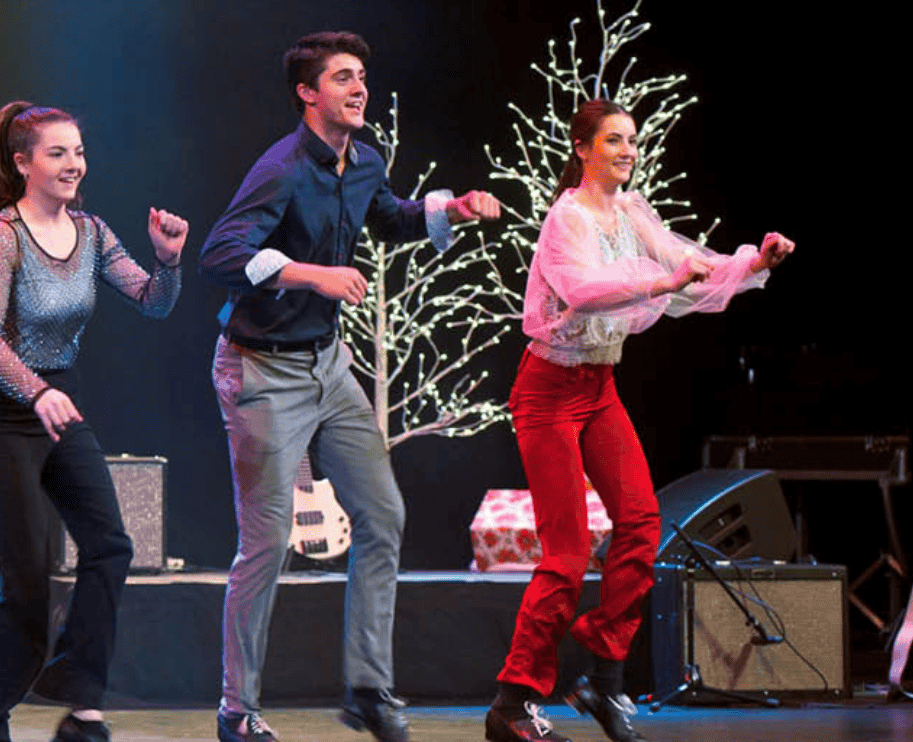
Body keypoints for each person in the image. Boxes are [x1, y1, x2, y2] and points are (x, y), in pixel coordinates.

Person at [198, 31, 503, 742]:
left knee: (383, 514)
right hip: (261, 369)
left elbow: (388, 216)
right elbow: (220, 253)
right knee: (267, 542)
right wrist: (310, 274)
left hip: (328, 365)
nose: (359, 88)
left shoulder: (364, 159)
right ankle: (237, 711)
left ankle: (368, 688)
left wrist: (448, 211)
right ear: (309, 93)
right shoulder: (279, 169)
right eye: (342, 78)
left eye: (362, 75)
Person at [483, 99, 793, 742]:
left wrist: (754, 265)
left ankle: (603, 676)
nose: (627, 150)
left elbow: (692, 266)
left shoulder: (630, 211)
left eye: (631, 140)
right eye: (614, 140)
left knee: (642, 523)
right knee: (566, 555)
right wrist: (661, 281)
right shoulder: (565, 219)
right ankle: (511, 705)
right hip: (546, 391)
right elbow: (584, 291)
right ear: (582, 149)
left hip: (598, 387)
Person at [0, 101, 185, 742]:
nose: (73, 164)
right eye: (57, 154)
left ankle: (80, 703)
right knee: (25, 580)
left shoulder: (92, 231)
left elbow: (152, 303)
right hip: (4, 411)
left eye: (78, 152)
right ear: (23, 163)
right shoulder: (7, 234)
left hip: (61, 402)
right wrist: (33, 394)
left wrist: (167, 261)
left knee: (111, 546)